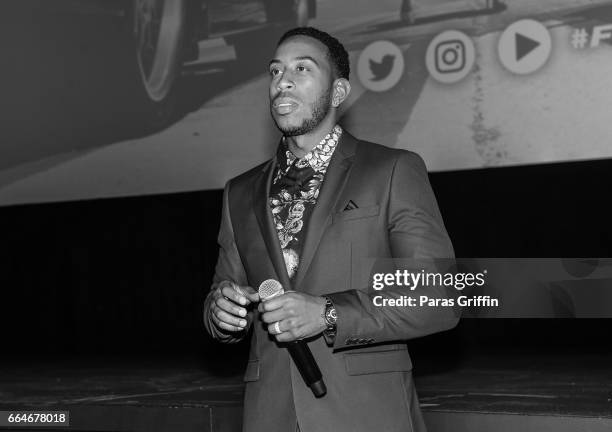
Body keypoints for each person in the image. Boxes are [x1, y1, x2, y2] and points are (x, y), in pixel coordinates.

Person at [203, 27, 459, 432]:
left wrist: (328, 313)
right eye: (274, 71)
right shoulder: (239, 191)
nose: (281, 81)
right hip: (270, 415)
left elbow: (437, 296)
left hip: (365, 414)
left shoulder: (391, 170)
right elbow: (224, 292)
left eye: (301, 68)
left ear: (338, 92)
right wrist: (222, 313)